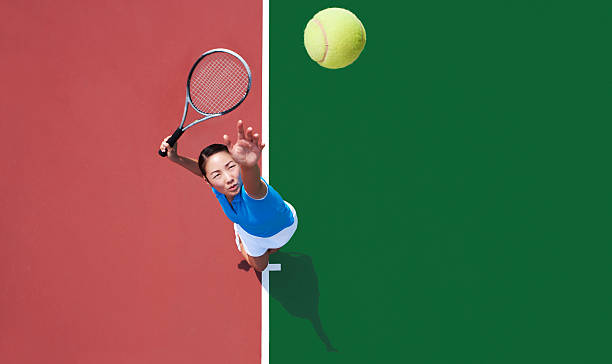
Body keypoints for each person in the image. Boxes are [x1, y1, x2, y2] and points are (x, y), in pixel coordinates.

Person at [159, 120, 297, 272]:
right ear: (208, 181)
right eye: (217, 175)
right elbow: (203, 171)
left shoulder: (252, 191)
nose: (228, 178)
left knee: (275, 247)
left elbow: (253, 185)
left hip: (285, 227)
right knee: (260, 267)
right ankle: (242, 238)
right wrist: (176, 158)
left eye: (231, 166)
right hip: (251, 234)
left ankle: (256, 239)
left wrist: (248, 166)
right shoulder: (219, 187)